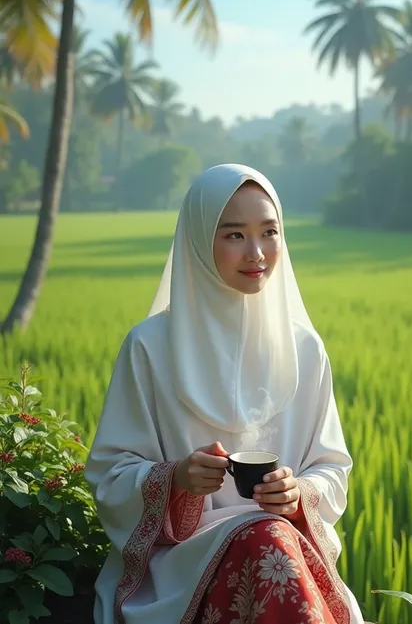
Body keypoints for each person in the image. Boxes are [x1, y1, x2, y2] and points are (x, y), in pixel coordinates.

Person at [85, 164, 365, 624]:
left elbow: (332, 468)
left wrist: (298, 493)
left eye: (269, 232)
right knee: (266, 542)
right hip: (185, 560)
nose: (256, 253)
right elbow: (110, 474)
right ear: (197, 239)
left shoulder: (304, 350)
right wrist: (176, 478)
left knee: (269, 539)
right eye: (234, 235)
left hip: (283, 546)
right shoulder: (150, 347)